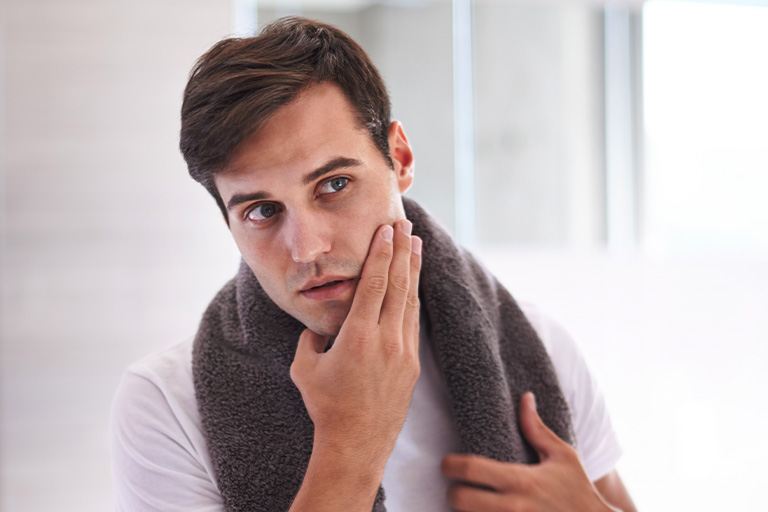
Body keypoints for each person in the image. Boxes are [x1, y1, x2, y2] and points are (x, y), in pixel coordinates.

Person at [110, 17, 637, 512]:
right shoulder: (166, 406)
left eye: (335, 185)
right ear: (231, 225)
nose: (308, 247)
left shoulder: (538, 346)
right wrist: (350, 443)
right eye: (263, 211)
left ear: (400, 159)